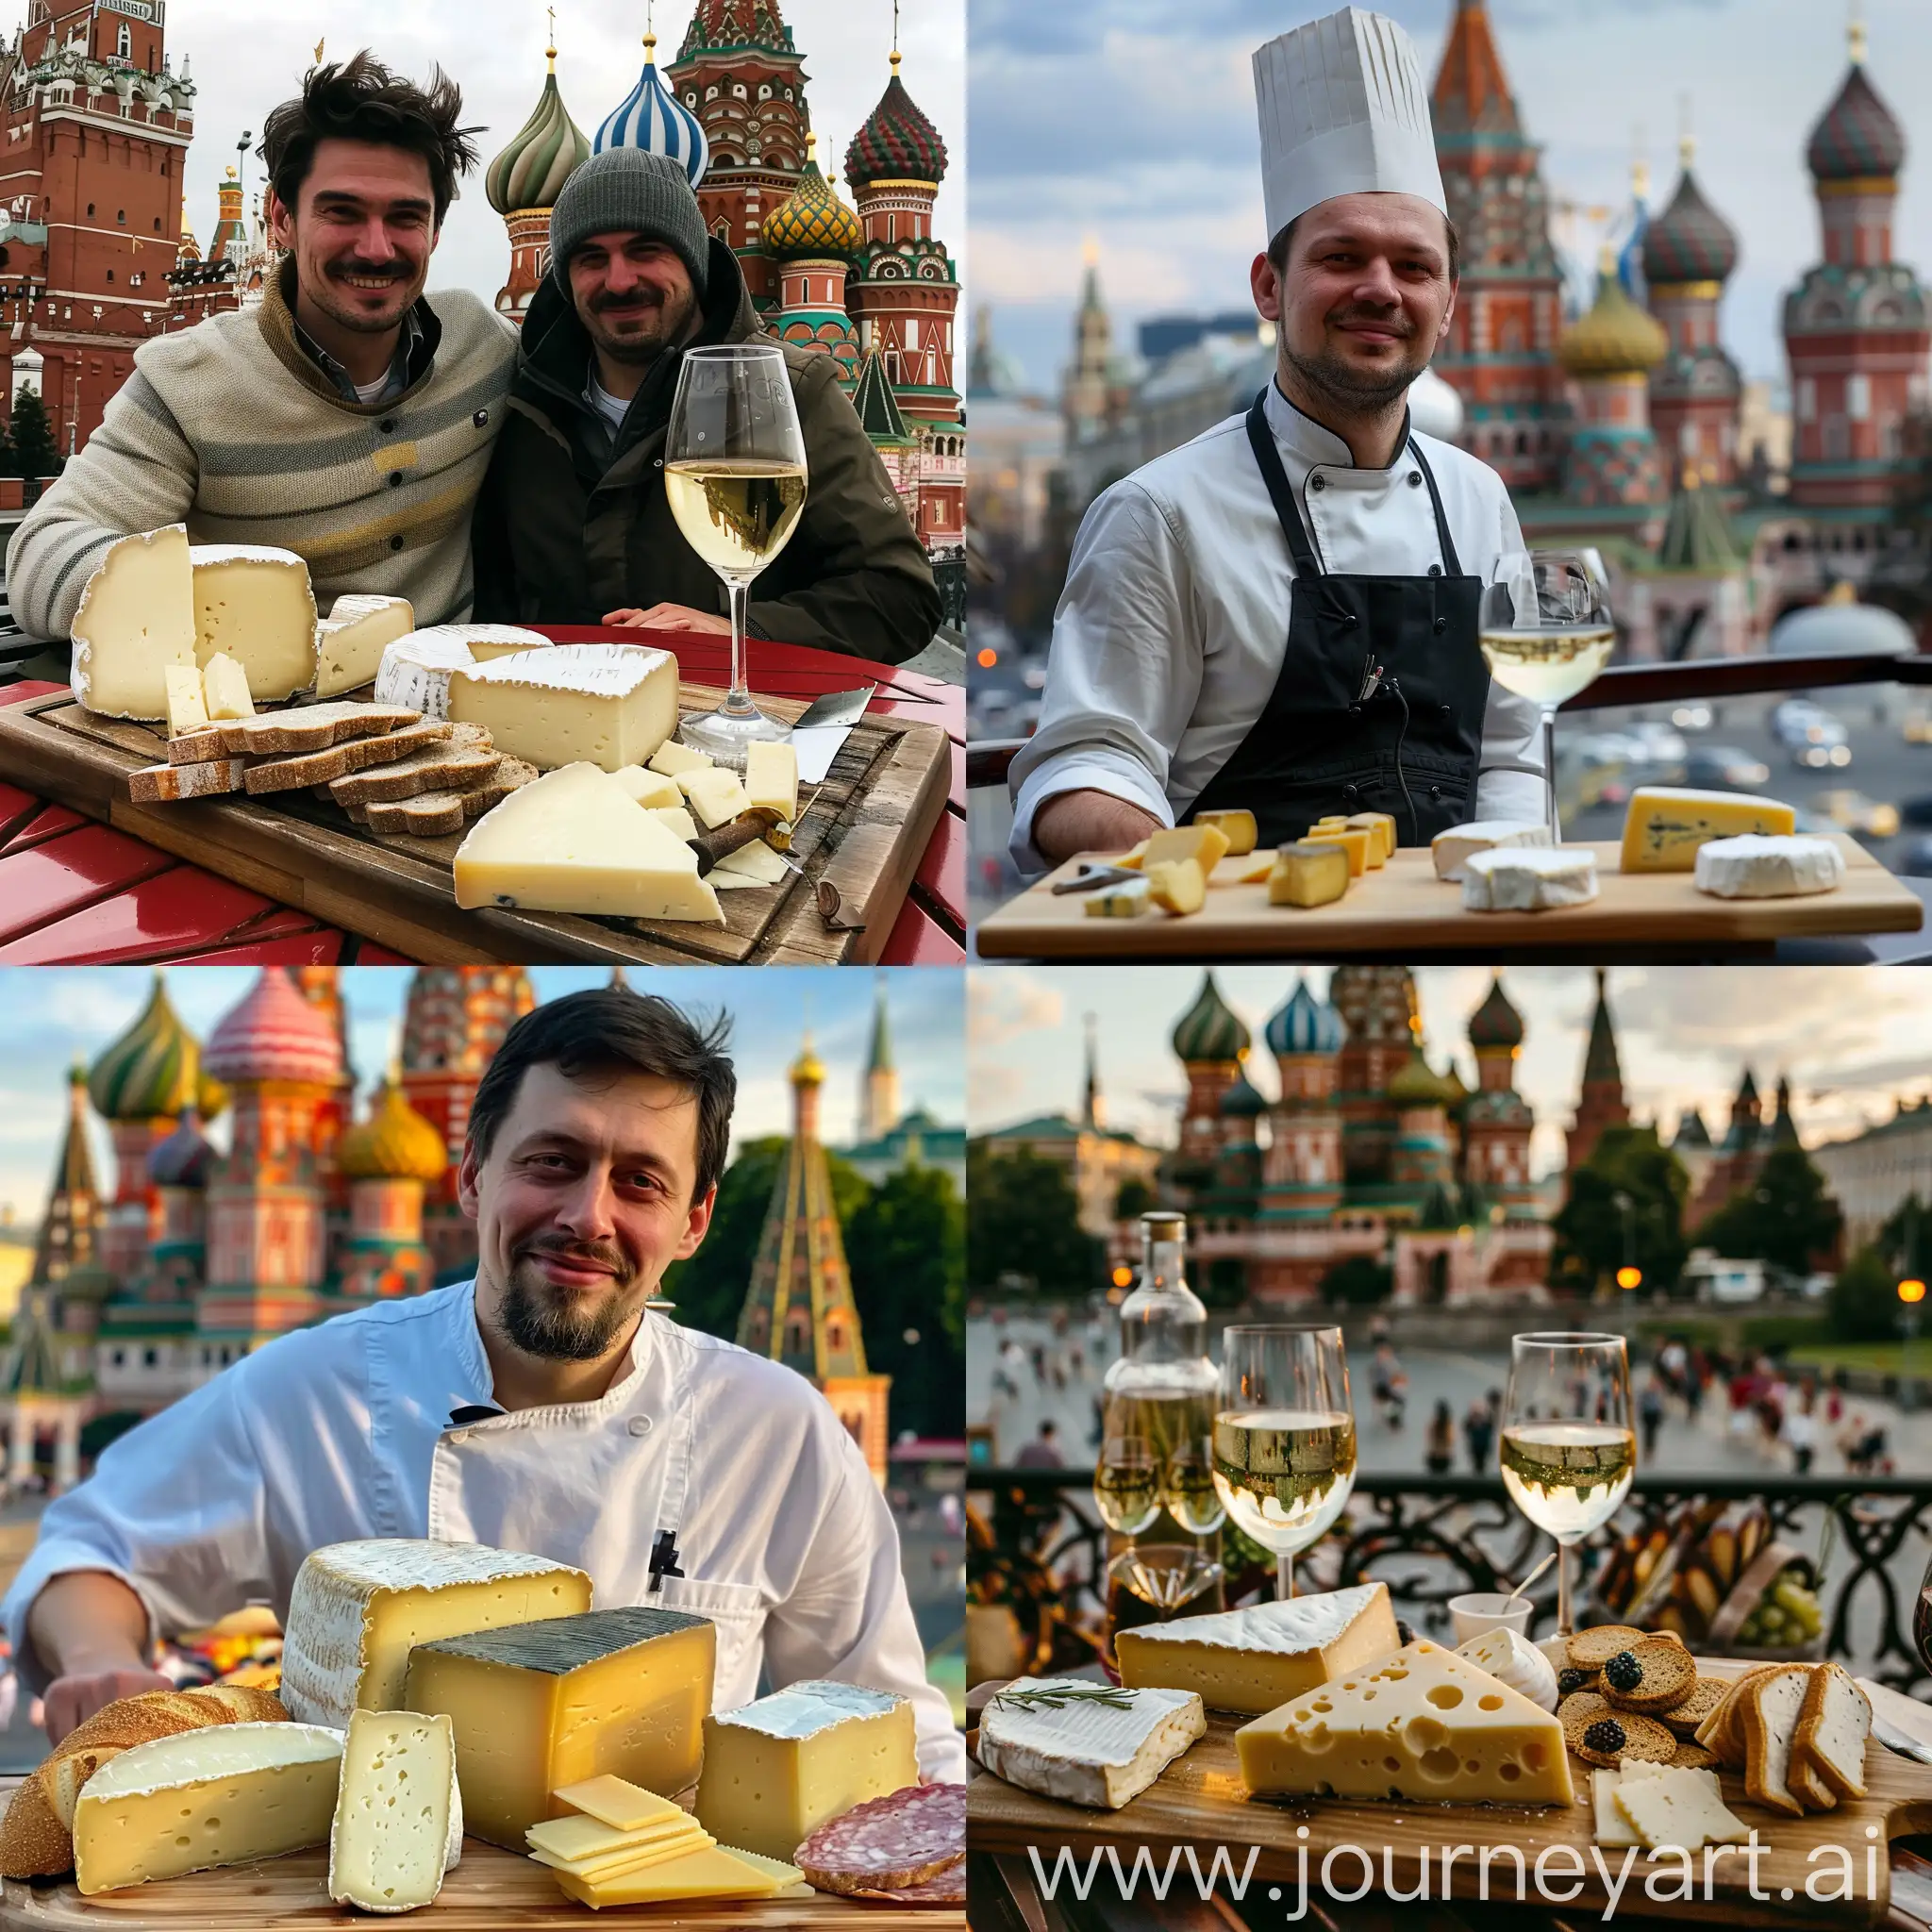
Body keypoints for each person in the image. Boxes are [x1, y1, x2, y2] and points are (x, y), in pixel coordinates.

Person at [3, 988, 960, 1781]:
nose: (587, 1215)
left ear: (695, 1220)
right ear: (470, 1175)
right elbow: (94, 1545)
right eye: (552, 1162)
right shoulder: (320, 1387)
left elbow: (890, 1731)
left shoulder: (775, 1430)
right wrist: (99, 1657)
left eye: (640, 1181)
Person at [1007, 8, 1543, 872]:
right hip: (1245, 942)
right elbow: (1087, 760)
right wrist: (1174, 874)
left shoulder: (1481, 498)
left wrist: (1512, 896)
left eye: (1413, 267)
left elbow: (1514, 750)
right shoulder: (1157, 513)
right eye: (1341, 258)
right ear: (1268, 287)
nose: (1380, 289)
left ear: (1448, 305)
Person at [8, 55, 517, 644]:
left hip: (459, 715)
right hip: (266, 719)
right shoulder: (189, 382)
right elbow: (41, 556)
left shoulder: (481, 345)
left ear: (436, 231)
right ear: (281, 218)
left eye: (406, 216)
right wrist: (234, 612)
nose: (376, 249)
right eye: (341, 212)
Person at [470, 148, 940, 663]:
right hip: (556, 726)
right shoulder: (520, 401)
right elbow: (494, 596)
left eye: (646, 250)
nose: (620, 280)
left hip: (738, 728)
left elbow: (900, 598)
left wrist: (742, 632)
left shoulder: (786, 389)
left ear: (693, 261)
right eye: (591, 259)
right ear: (564, 276)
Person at [1461, 1392, 1495, 1474]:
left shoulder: (1487, 1423)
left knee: (1482, 1465)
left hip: (1483, 1448)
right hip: (1475, 1448)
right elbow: (1465, 1427)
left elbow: (1492, 1424)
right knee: (1477, 1465)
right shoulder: (1472, 1424)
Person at [1424, 1400, 1455, 1475]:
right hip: (1440, 1455)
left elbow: (1449, 1440)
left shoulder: (1440, 1424)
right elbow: (1450, 1441)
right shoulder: (1442, 1424)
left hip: (1439, 1455)